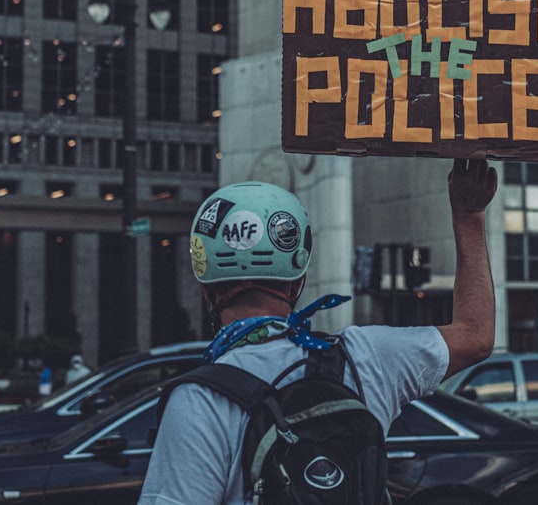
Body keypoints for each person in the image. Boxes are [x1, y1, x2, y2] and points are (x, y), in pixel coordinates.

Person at [139, 158, 498, 505]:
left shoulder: (198, 400)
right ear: (298, 281)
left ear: (207, 289)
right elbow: (475, 335)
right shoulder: (365, 358)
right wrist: (469, 215)